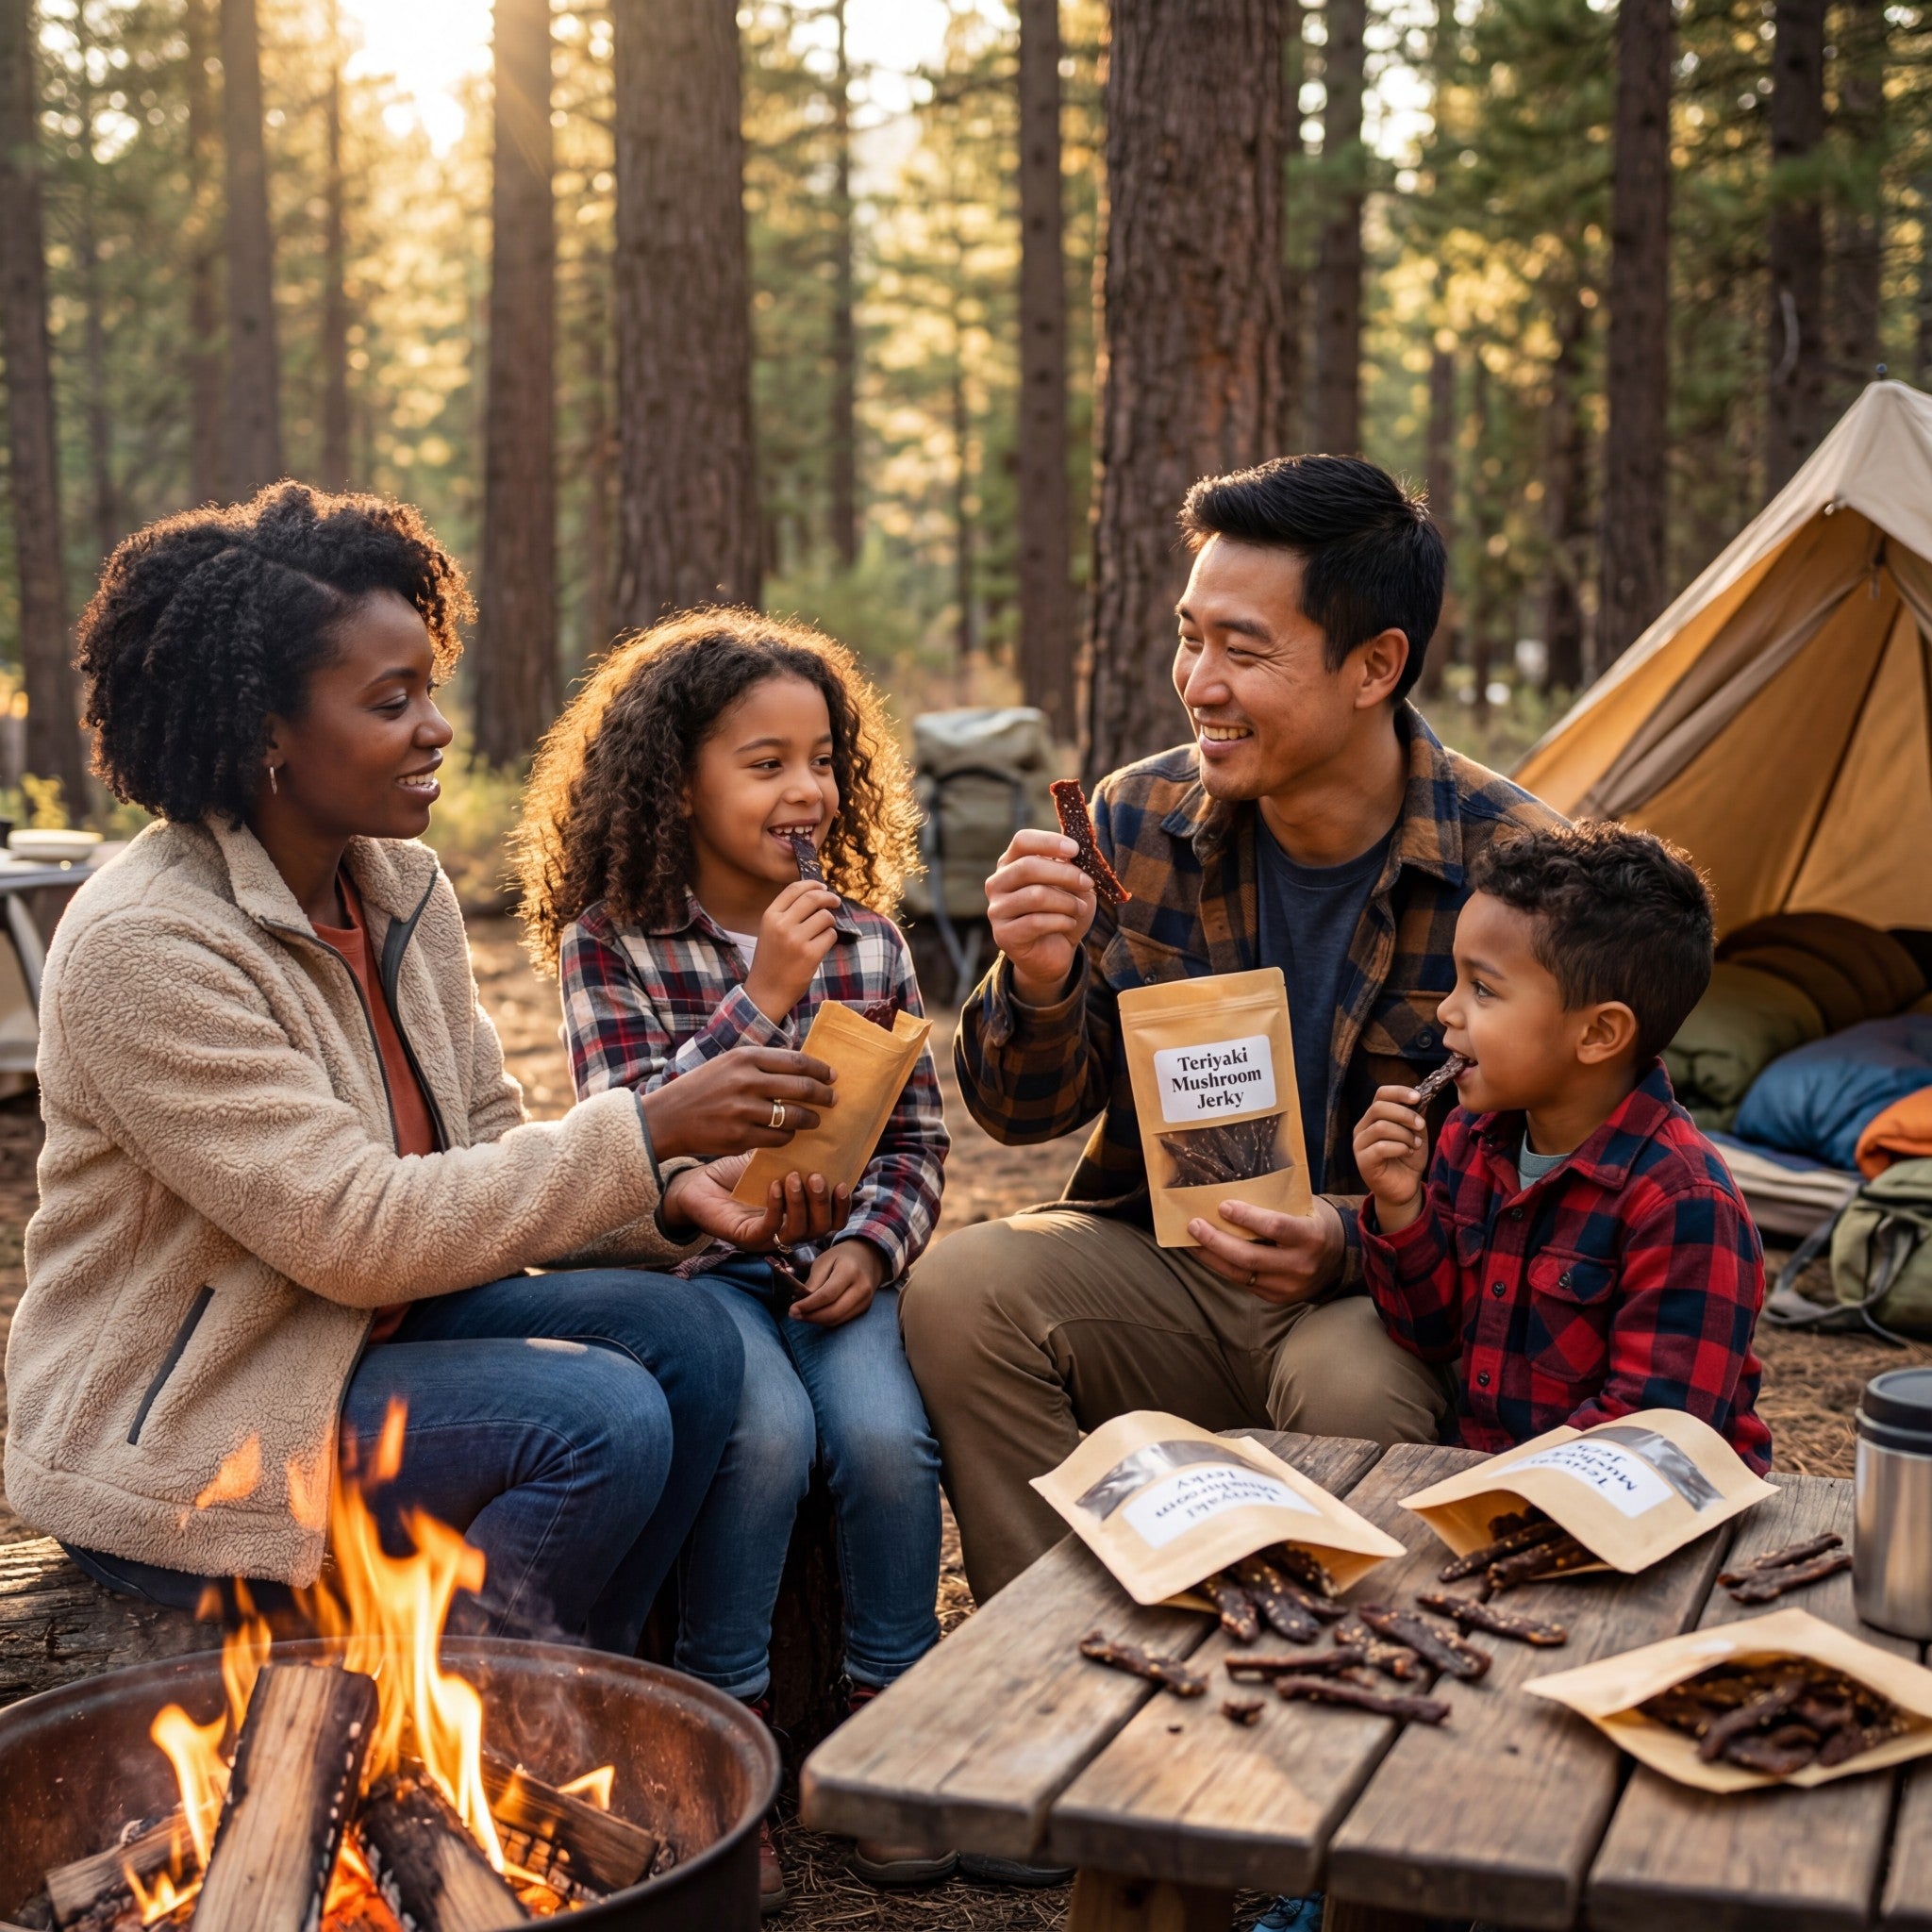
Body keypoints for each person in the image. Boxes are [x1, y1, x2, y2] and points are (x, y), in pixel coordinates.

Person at [5, 483, 848, 1657]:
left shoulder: (399, 889)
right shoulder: (145, 945)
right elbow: (353, 1230)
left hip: (371, 1341)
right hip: (203, 1420)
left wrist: (662, 1196)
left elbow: (483, 1151)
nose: (437, 726)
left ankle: (567, 1698)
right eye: (390, 701)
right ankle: (451, 1773)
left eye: (430, 688)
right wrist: (648, 1130)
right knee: (594, 1419)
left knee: (692, 1341)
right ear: (263, 734)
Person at [902, 453, 1565, 1612]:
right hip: (1165, 1263)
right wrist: (1042, 976)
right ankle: (1050, 1643)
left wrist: (1353, 1242)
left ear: (1375, 666)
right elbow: (1020, 1111)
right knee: (962, 1287)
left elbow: (1558, 1179)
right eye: (1187, 636)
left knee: (1351, 1380)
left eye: (1243, 650)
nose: (1197, 682)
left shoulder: (1514, 870)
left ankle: (1348, 1674)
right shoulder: (1133, 818)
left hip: (1382, 1300)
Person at [514, 609, 950, 1907]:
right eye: (765, 763)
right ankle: (727, 1746)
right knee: (758, 1441)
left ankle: (893, 1736)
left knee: (880, 1443)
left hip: (832, 1275)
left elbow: (918, 1139)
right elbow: (630, 1137)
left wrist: (872, 1247)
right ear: (677, 779)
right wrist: (759, 995)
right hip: (702, 1284)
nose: (805, 790)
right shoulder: (610, 940)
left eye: (821, 760)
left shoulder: (871, 939)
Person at [1352, 822, 1771, 1469]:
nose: (1447, 1011)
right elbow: (1429, 1336)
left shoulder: (1683, 1205)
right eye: (1456, 980)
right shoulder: (1470, 1137)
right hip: (1498, 1482)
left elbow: (1652, 1435)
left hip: (1638, 1507)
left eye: (1483, 989)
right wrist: (1401, 1207)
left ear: (1599, 1034)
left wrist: (1499, 1490)